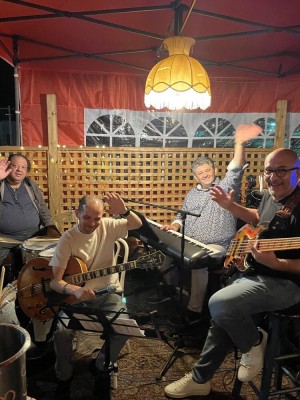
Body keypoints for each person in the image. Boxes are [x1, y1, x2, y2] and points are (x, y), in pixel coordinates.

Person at [164, 147, 300, 398]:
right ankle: (200, 379)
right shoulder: (273, 195)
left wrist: (277, 263)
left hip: (287, 283)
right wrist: (230, 205)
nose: (273, 177)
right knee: (223, 313)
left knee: (219, 303)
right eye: (269, 170)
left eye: (282, 170)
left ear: (298, 173)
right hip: (256, 271)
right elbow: (259, 218)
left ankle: (255, 341)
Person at [161, 124, 262, 322]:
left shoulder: (224, 186)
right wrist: (174, 226)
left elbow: (235, 167)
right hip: (190, 242)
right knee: (167, 254)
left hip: (218, 246)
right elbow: (181, 216)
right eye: (201, 173)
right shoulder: (191, 194)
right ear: (195, 176)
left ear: (214, 170)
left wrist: (239, 143)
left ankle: (194, 310)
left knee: (199, 261)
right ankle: (174, 293)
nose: (205, 174)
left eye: (208, 170)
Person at [49, 193, 142, 399]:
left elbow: (136, 224)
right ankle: (64, 378)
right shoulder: (67, 239)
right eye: (87, 217)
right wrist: (75, 290)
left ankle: (100, 367)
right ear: (77, 214)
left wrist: (124, 210)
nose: (92, 223)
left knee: (125, 328)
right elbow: (55, 281)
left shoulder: (107, 225)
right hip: (76, 299)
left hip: (108, 293)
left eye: (97, 218)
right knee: (61, 333)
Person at [0, 154, 60, 275]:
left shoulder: (30, 184)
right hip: (5, 239)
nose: (19, 170)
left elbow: (42, 208)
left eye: (23, 167)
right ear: (7, 167)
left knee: (55, 257)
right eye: (15, 166)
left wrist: (51, 227)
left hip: (34, 236)